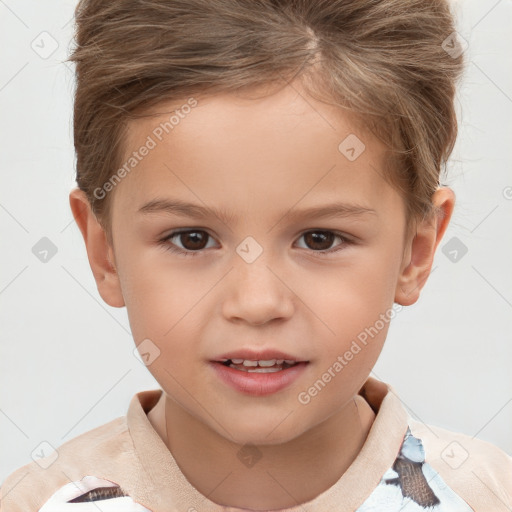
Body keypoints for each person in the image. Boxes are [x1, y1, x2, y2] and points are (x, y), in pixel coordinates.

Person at [1, 0, 511, 511]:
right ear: (104, 250)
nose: (257, 302)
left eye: (320, 239)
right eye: (192, 239)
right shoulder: (37, 503)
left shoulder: (485, 496)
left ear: (415, 253)